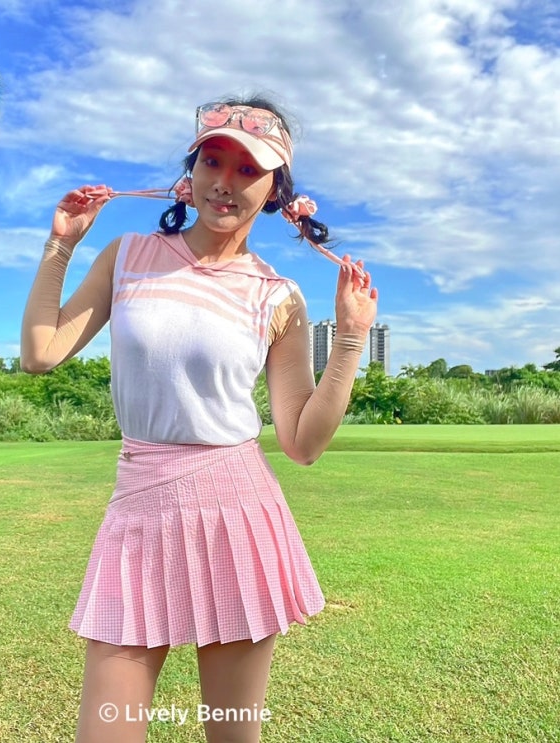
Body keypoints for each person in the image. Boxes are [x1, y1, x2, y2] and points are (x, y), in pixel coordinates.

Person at [20, 95, 378, 743]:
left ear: (275, 191)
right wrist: (60, 244)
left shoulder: (277, 295)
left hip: (237, 515)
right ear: (191, 171)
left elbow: (301, 442)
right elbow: (40, 353)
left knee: (231, 733)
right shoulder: (129, 255)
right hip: (139, 507)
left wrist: (350, 340)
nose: (225, 181)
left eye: (248, 169)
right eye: (213, 160)